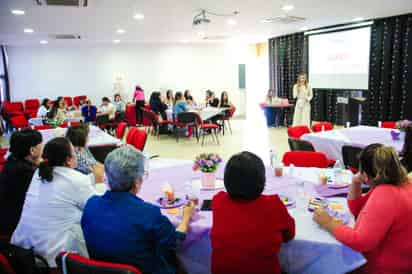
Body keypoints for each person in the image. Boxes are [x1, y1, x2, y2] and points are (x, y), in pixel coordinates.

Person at [81, 145, 195, 274]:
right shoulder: (149, 214)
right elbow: (175, 241)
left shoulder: (91, 205)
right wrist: (186, 217)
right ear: (137, 182)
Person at [313, 144, 412, 274]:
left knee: (322, 265)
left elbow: (361, 242)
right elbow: (358, 210)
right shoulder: (401, 184)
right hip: (403, 261)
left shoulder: (385, 193)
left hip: (383, 267)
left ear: (365, 175)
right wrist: (355, 182)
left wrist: (328, 223)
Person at [11, 137, 104, 267]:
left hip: (22, 252)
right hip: (53, 260)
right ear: (68, 160)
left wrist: (91, 180)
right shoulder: (77, 180)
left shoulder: (39, 173)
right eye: (74, 153)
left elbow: (63, 187)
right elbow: (98, 211)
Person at [211, 151, 295, 274]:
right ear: (262, 181)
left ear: (227, 180)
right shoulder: (273, 204)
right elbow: (289, 235)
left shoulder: (218, 201)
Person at [0, 129, 43, 237]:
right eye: (41, 144)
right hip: (18, 226)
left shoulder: (12, 160)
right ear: (32, 150)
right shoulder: (26, 172)